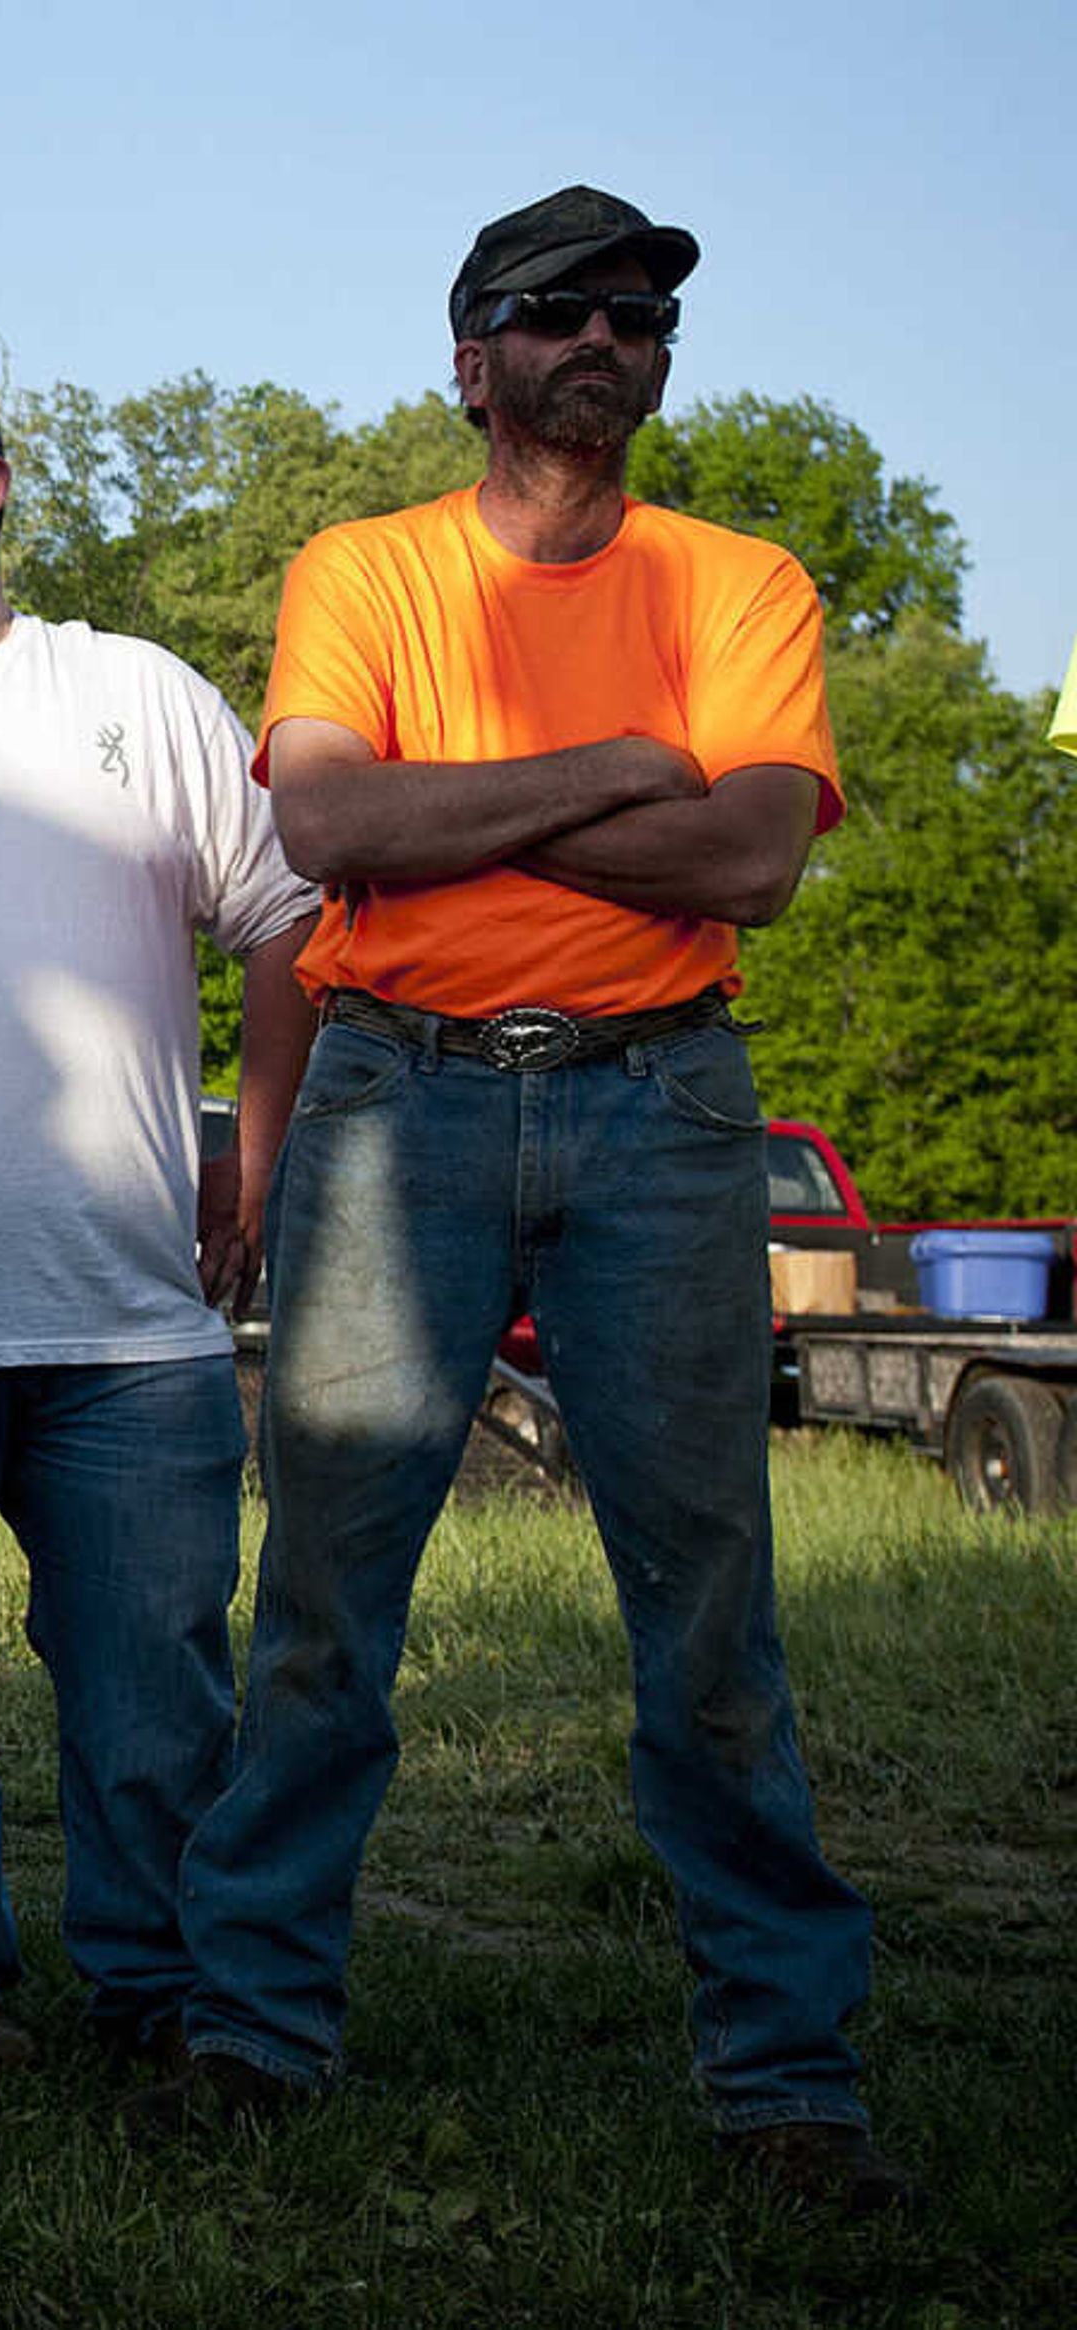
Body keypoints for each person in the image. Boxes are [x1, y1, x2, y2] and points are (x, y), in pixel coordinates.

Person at [139, 185, 912, 2213]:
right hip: (396, 1109)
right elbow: (325, 820)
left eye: (639, 312)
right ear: (469, 357)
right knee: (324, 1601)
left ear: (660, 360)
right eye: (554, 307)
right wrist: (624, 768)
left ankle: (786, 2080)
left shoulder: (743, 581)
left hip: (666, 1112)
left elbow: (749, 861)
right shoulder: (364, 569)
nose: (605, 335)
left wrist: (465, 822)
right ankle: (253, 2034)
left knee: (713, 1612)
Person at [0, 363, 318, 2071]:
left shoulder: (139, 694)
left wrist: (265, 1139)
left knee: (157, 1694)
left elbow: (288, 917)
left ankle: (159, 1989)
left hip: (131, 1316)